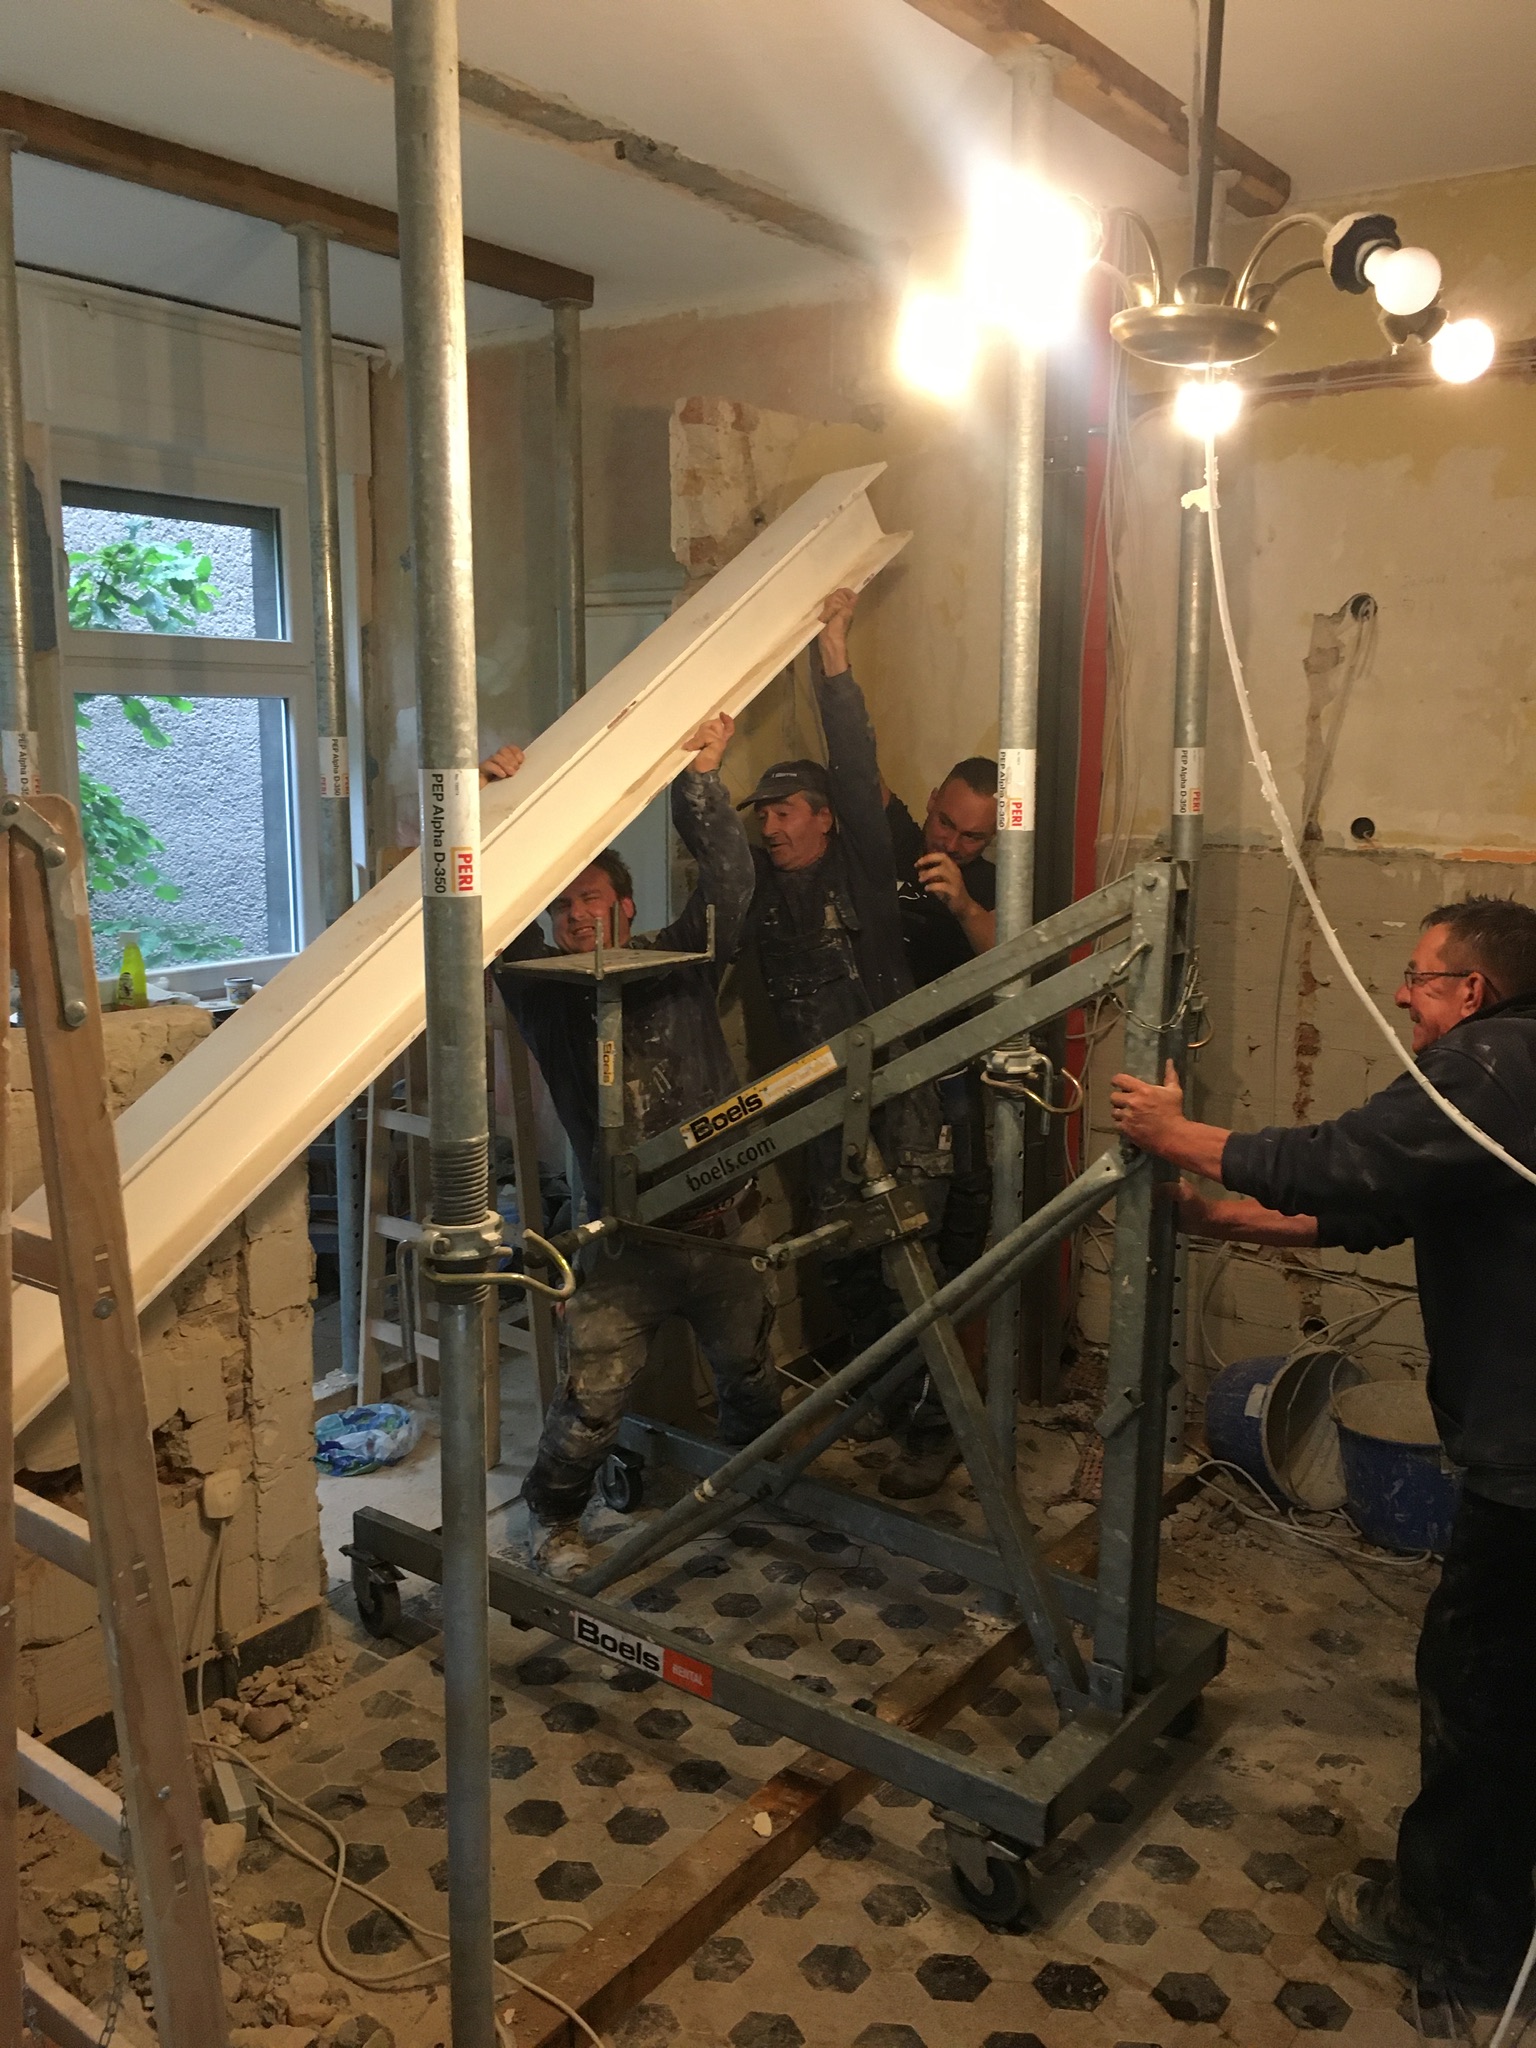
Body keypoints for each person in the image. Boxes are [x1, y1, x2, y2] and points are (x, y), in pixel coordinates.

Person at [1108, 895, 1536, 2008]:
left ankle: (1455, 1937)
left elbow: (1346, 1162)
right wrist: (1223, 1218)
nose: (1401, 994)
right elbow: (1384, 1208)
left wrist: (1177, 1135)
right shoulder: (1516, 1075)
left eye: (1420, 976)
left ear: (1472, 990)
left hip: (1528, 1463)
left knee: (1480, 1694)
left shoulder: (1491, 1064)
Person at [486, 717, 782, 1580]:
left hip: (722, 1229)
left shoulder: (680, 960)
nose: (576, 916)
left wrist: (700, 779)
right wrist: (492, 804)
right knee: (591, 1404)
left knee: (750, 1378)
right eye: (562, 905)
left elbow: (730, 882)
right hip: (621, 1243)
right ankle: (553, 1523)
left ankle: (757, 1488)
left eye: (591, 899)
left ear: (629, 907)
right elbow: (489, 916)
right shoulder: (544, 992)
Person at [740, 588, 947, 1499]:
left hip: (898, 1102)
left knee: (906, 1270)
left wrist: (833, 656)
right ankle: (888, 1403)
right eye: (763, 815)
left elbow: (858, 769)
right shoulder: (760, 892)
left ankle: (936, 1432)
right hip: (818, 1109)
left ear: (824, 816)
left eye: (786, 811)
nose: (772, 826)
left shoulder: (862, 867)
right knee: (846, 1265)